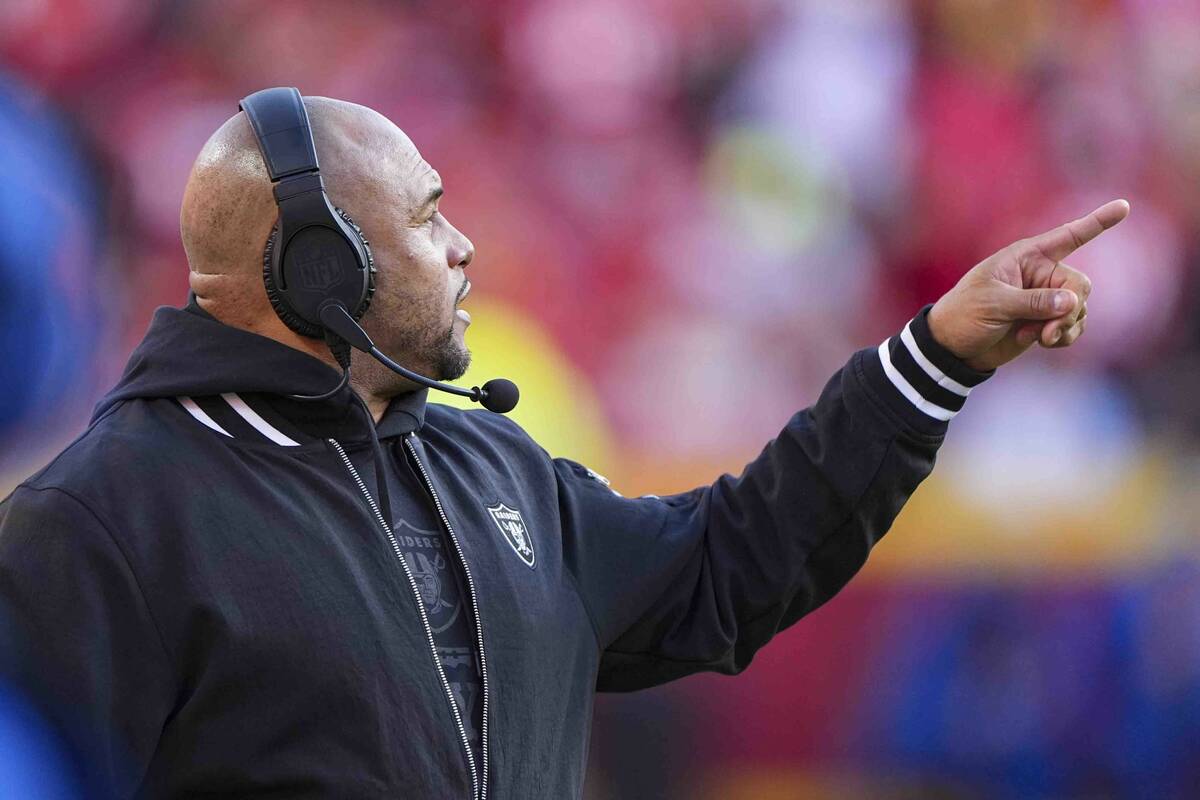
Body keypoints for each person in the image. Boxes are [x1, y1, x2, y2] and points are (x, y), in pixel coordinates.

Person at [0, 94, 1128, 799]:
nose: (463, 244)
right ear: (323, 273)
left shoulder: (490, 464)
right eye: (428, 215)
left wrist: (935, 355)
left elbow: (726, 565)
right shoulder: (101, 519)